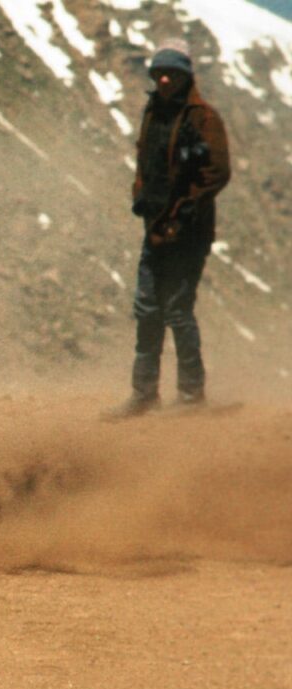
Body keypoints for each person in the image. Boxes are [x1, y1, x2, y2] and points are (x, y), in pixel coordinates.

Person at [107, 45, 231, 418]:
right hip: (156, 227)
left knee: (177, 309)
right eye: (158, 73)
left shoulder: (203, 117)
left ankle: (192, 398)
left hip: (188, 232)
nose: (163, 79)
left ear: (184, 77)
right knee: (147, 310)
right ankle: (144, 396)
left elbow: (218, 171)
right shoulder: (154, 112)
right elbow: (144, 162)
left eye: (171, 74)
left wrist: (188, 205)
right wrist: (140, 195)